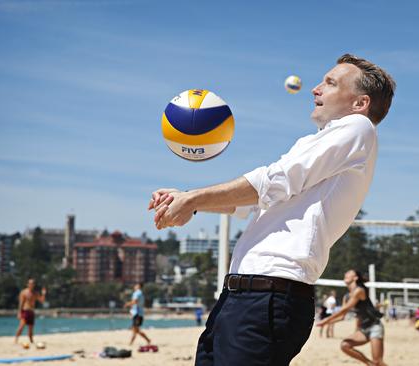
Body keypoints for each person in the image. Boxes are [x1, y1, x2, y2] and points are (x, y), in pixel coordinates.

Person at [149, 54, 395, 365]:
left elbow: (275, 179)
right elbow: (253, 199)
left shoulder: (359, 127)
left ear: (360, 103)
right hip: (244, 295)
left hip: (269, 295)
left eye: (330, 83)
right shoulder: (321, 144)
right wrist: (186, 198)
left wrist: (194, 198)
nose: (315, 89)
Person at [316, 270, 385, 366]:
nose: (346, 274)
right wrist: (326, 323)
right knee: (345, 345)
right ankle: (369, 364)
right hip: (364, 328)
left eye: (349, 273)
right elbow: (342, 317)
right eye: (345, 274)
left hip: (375, 326)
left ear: (355, 278)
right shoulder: (346, 296)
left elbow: (345, 309)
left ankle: (373, 364)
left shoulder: (359, 290)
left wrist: (326, 320)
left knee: (378, 362)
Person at [14, 278, 46, 345]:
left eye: (33, 283)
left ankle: (31, 341)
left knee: (31, 329)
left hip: (31, 312)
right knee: (21, 327)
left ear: (34, 285)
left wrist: (43, 294)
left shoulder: (35, 293)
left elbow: (42, 301)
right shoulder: (24, 292)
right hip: (25, 311)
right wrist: (19, 312)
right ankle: (16, 340)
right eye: (30, 283)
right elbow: (21, 303)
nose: (31, 284)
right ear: (28, 284)